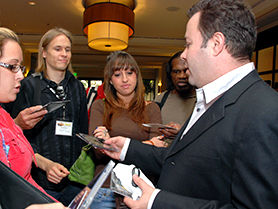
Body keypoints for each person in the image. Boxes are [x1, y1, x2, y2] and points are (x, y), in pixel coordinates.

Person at [101, 0, 278, 208]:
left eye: (188, 44)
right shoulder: (211, 97)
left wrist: (157, 202)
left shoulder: (265, 111)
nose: (183, 55)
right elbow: (179, 159)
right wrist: (126, 148)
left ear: (216, 44)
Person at [4, 28, 88, 205]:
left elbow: (82, 131)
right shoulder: (26, 86)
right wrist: (44, 164)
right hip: (37, 178)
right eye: (57, 49)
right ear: (44, 52)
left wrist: (84, 178)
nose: (64, 54)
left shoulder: (78, 87)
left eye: (67, 49)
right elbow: (13, 135)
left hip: (73, 179)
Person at [89, 51, 163, 208]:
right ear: (110, 80)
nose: (125, 79)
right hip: (106, 188)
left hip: (140, 189)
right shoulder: (100, 106)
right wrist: (147, 143)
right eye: (117, 74)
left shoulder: (152, 108)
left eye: (129, 72)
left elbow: (158, 153)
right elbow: (97, 150)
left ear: (137, 75)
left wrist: (113, 143)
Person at [0, 27, 58, 202]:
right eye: (12, 67)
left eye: (20, 67)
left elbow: (25, 180)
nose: (20, 75)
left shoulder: (5, 117)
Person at [154, 51, 195, 141]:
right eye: (176, 71)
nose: (182, 76)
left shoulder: (204, 100)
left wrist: (182, 134)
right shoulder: (161, 99)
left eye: (185, 71)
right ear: (170, 75)